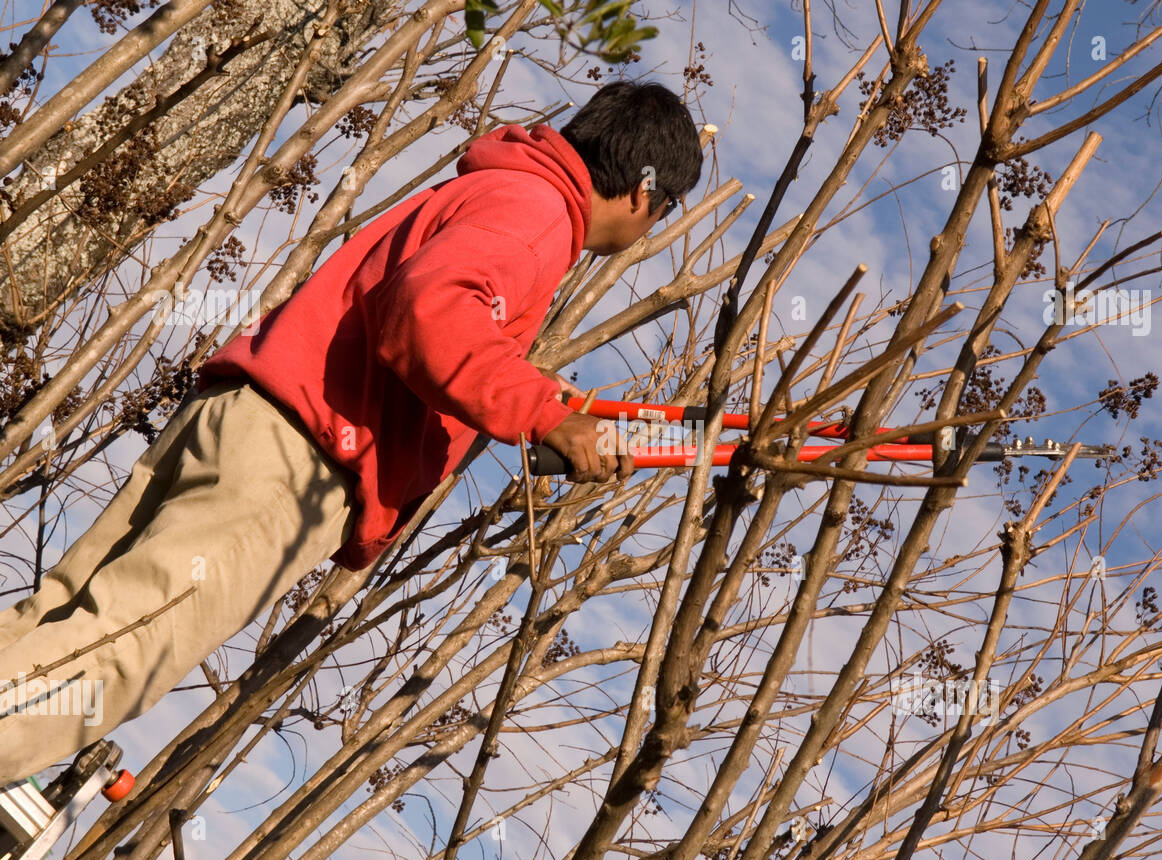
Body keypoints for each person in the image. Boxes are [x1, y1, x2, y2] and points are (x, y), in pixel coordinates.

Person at [0, 79, 703, 786]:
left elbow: (434, 321)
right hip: (293, 463)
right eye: (665, 209)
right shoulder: (541, 213)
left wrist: (544, 399)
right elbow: (431, 316)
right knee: (121, 651)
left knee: (59, 623)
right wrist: (548, 414)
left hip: (247, 416)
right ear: (644, 193)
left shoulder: (506, 189)